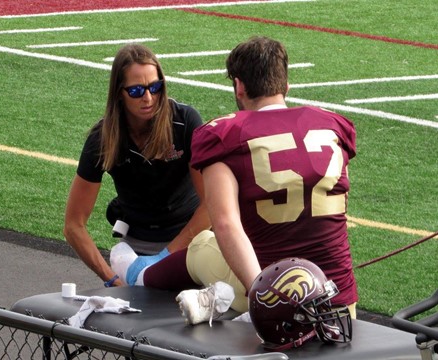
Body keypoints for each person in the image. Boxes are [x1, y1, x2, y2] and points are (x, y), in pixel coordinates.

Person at [111, 36, 358, 321]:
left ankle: (139, 274)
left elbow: (226, 224)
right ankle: (215, 295)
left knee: (205, 242)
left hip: (270, 292)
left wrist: (265, 300)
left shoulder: (225, 134)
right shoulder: (333, 126)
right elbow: (342, 203)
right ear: (286, 85)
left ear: (239, 86)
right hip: (337, 299)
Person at [64, 43, 211, 288]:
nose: (148, 98)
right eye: (136, 91)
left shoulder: (185, 122)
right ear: (119, 93)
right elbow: (73, 225)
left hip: (190, 239)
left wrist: (166, 256)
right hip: (136, 245)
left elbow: (211, 205)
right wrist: (111, 278)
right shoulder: (102, 139)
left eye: (155, 87)